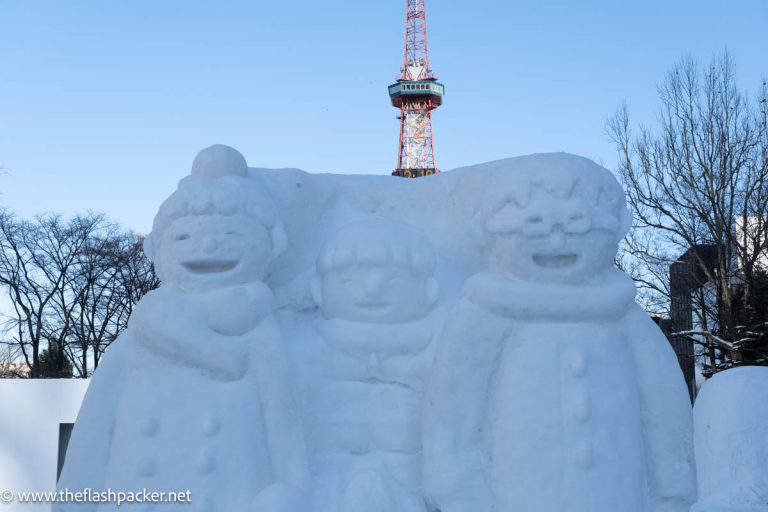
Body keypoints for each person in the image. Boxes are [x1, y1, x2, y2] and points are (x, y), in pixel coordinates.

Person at [422, 155, 696, 512]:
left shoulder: (621, 314)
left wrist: (672, 481)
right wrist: (455, 485)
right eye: (534, 225)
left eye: (578, 225)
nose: (557, 240)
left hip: (616, 485)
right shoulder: (486, 313)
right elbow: (454, 406)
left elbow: (663, 400)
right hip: (518, 489)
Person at [55, 145, 308, 511]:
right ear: (158, 250)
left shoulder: (258, 336)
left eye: (232, 235)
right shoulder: (135, 345)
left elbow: (285, 429)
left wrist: (290, 493)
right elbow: (92, 437)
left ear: (269, 246)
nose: (206, 245)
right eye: (184, 238)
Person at [304, 218, 440, 512]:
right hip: (327, 482)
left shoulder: (436, 353)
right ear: (319, 291)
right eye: (350, 281)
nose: (372, 290)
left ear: (430, 292)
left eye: (394, 280)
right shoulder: (309, 353)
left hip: (411, 486)